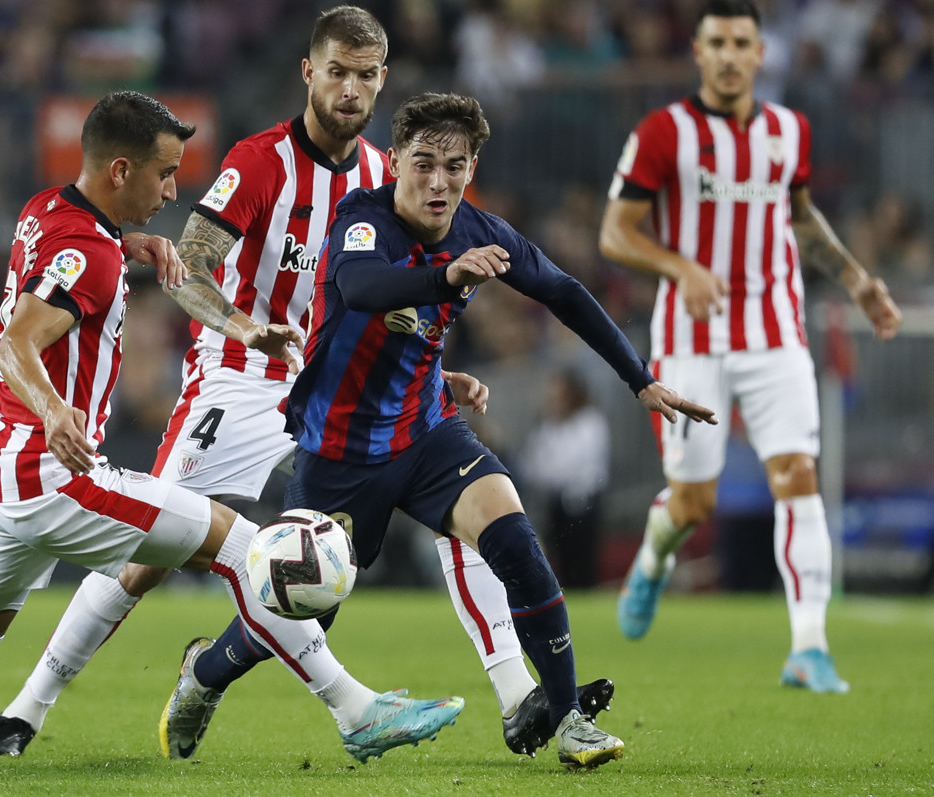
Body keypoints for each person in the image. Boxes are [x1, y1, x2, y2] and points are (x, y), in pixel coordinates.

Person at [0, 90, 464, 763]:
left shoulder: (47, 210)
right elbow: (17, 339)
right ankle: (356, 710)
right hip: (55, 473)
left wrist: (127, 244)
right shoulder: (91, 256)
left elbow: (65, 265)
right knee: (250, 549)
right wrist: (56, 411)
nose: (174, 191)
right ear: (122, 169)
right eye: (165, 173)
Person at [0, 5, 613, 763]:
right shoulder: (258, 161)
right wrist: (243, 326)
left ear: (382, 83)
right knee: (149, 555)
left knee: (457, 507)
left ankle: (515, 693)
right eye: (336, 71)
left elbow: (372, 303)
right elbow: (192, 266)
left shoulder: (387, 174)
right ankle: (27, 708)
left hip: (334, 386)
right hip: (237, 380)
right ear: (308, 72)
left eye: (365, 75)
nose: (349, 89)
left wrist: (433, 370)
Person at [167, 91, 719, 770]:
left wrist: (641, 380)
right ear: (394, 159)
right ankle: (205, 672)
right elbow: (364, 286)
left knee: (515, 537)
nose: (437, 181)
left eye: (453, 166)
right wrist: (445, 275)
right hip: (339, 449)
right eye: (422, 163)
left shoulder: (483, 231)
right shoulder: (361, 218)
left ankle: (567, 715)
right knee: (303, 610)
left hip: (427, 433)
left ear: (471, 166)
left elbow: (566, 292)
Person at [600, 0, 902, 693]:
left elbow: (796, 213)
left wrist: (857, 280)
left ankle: (809, 646)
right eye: (718, 43)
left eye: (743, 42)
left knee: (798, 474)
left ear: (761, 53)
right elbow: (615, 233)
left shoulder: (788, 130)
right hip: (689, 341)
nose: (731, 54)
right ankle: (652, 560)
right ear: (699, 54)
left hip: (775, 333)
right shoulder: (661, 133)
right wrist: (681, 267)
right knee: (694, 503)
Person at [519, 368, 610, 589]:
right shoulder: (547, 427)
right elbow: (533, 465)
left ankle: (586, 593)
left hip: (584, 501)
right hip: (555, 500)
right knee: (558, 557)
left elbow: (587, 463)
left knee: (582, 558)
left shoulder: (589, 422)